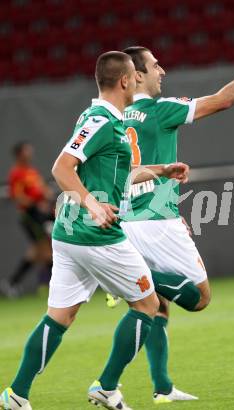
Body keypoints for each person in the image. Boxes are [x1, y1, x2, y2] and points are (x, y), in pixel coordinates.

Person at [0, 51, 190, 410]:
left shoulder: (100, 118)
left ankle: (16, 395)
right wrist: (93, 204)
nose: (138, 81)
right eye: (135, 75)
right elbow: (61, 169)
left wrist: (162, 170)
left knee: (60, 316)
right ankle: (106, 387)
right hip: (94, 233)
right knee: (148, 305)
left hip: (69, 234)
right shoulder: (102, 119)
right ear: (123, 81)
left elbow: (119, 173)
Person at [103, 43, 234, 404]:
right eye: (155, 65)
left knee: (153, 306)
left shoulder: (113, 116)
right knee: (200, 297)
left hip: (126, 221)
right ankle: (124, 277)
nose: (162, 70)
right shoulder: (159, 110)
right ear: (136, 75)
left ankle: (157, 386)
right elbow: (222, 100)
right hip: (156, 221)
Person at [2, 142, 54, 297]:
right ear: (19, 154)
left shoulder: (31, 171)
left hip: (39, 213)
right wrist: (35, 204)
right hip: (30, 216)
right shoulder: (16, 173)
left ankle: (13, 282)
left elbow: (42, 190)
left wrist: (45, 197)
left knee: (37, 251)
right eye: (26, 150)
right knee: (45, 250)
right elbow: (18, 197)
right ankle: (49, 284)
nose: (30, 152)